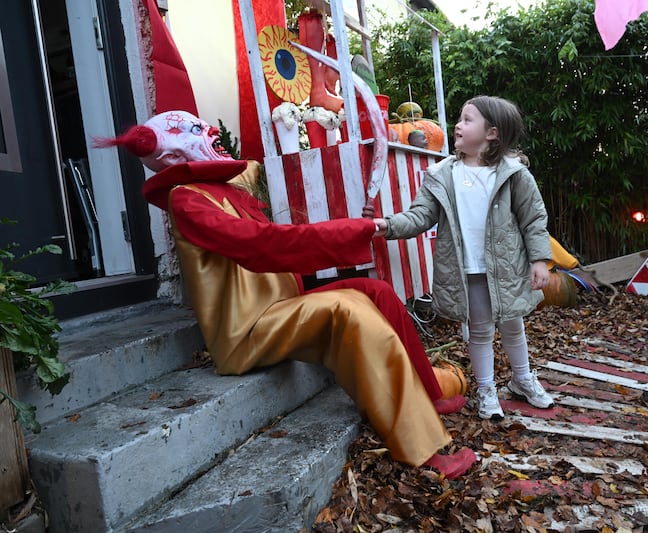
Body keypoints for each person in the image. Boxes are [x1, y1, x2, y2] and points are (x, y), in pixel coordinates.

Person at [97, 110, 475, 478]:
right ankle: (421, 450)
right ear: (173, 154)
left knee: (373, 291)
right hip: (247, 331)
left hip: (277, 309)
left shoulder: (224, 190)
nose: (211, 129)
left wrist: (352, 231)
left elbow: (273, 245)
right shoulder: (187, 198)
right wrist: (351, 230)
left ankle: (428, 393)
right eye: (196, 128)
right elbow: (260, 246)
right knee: (351, 309)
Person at [370, 96, 555, 420]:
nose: (458, 125)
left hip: (508, 267)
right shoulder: (442, 175)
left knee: (514, 324)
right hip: (468, 271)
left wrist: (539, 260)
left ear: (492, 133)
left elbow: (533, 218)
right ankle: (486, 390)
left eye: (468, 120)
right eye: (460, 118)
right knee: (480, 329)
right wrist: (387, 225)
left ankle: (522, 379)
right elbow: (420, 215)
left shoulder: (513, 174)